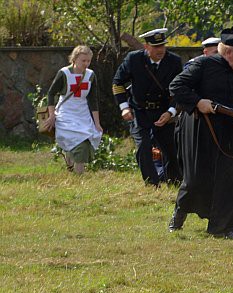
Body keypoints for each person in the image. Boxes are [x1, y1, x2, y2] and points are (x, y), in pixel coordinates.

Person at [167, 26, 233, 239]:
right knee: (195, 180)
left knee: (231, 179)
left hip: (232, 131)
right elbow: (176, 86)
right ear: (229, 52)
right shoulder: (203, 65)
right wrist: (198, 102)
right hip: (202, 129)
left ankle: (225, 227)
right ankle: (180, 211)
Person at [112, 28, 182, 185]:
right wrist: (124, 107)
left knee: (171, 148)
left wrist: (171, 112)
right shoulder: (133, 60)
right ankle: (151, 183)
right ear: (146, 47)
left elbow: (180, 89)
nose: (160, 50)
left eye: (162, 46)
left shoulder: (174, 62)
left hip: (164, 111)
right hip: (140, 110)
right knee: (143, 146)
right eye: (156, 47)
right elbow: (117, 83)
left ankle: (175, 181)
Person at [43, 45, 103, 174]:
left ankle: (75, 172)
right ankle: (78, 175)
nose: (86, 64)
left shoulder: (91, 75)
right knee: (77, 141)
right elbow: (51, 93)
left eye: (88, 61)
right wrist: (52, 115)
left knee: (84, 139)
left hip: (82, 113)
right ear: (75, 59)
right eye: (83, 60)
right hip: (66, 112)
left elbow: (93, 100)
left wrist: (97, 123)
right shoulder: (64, 73)